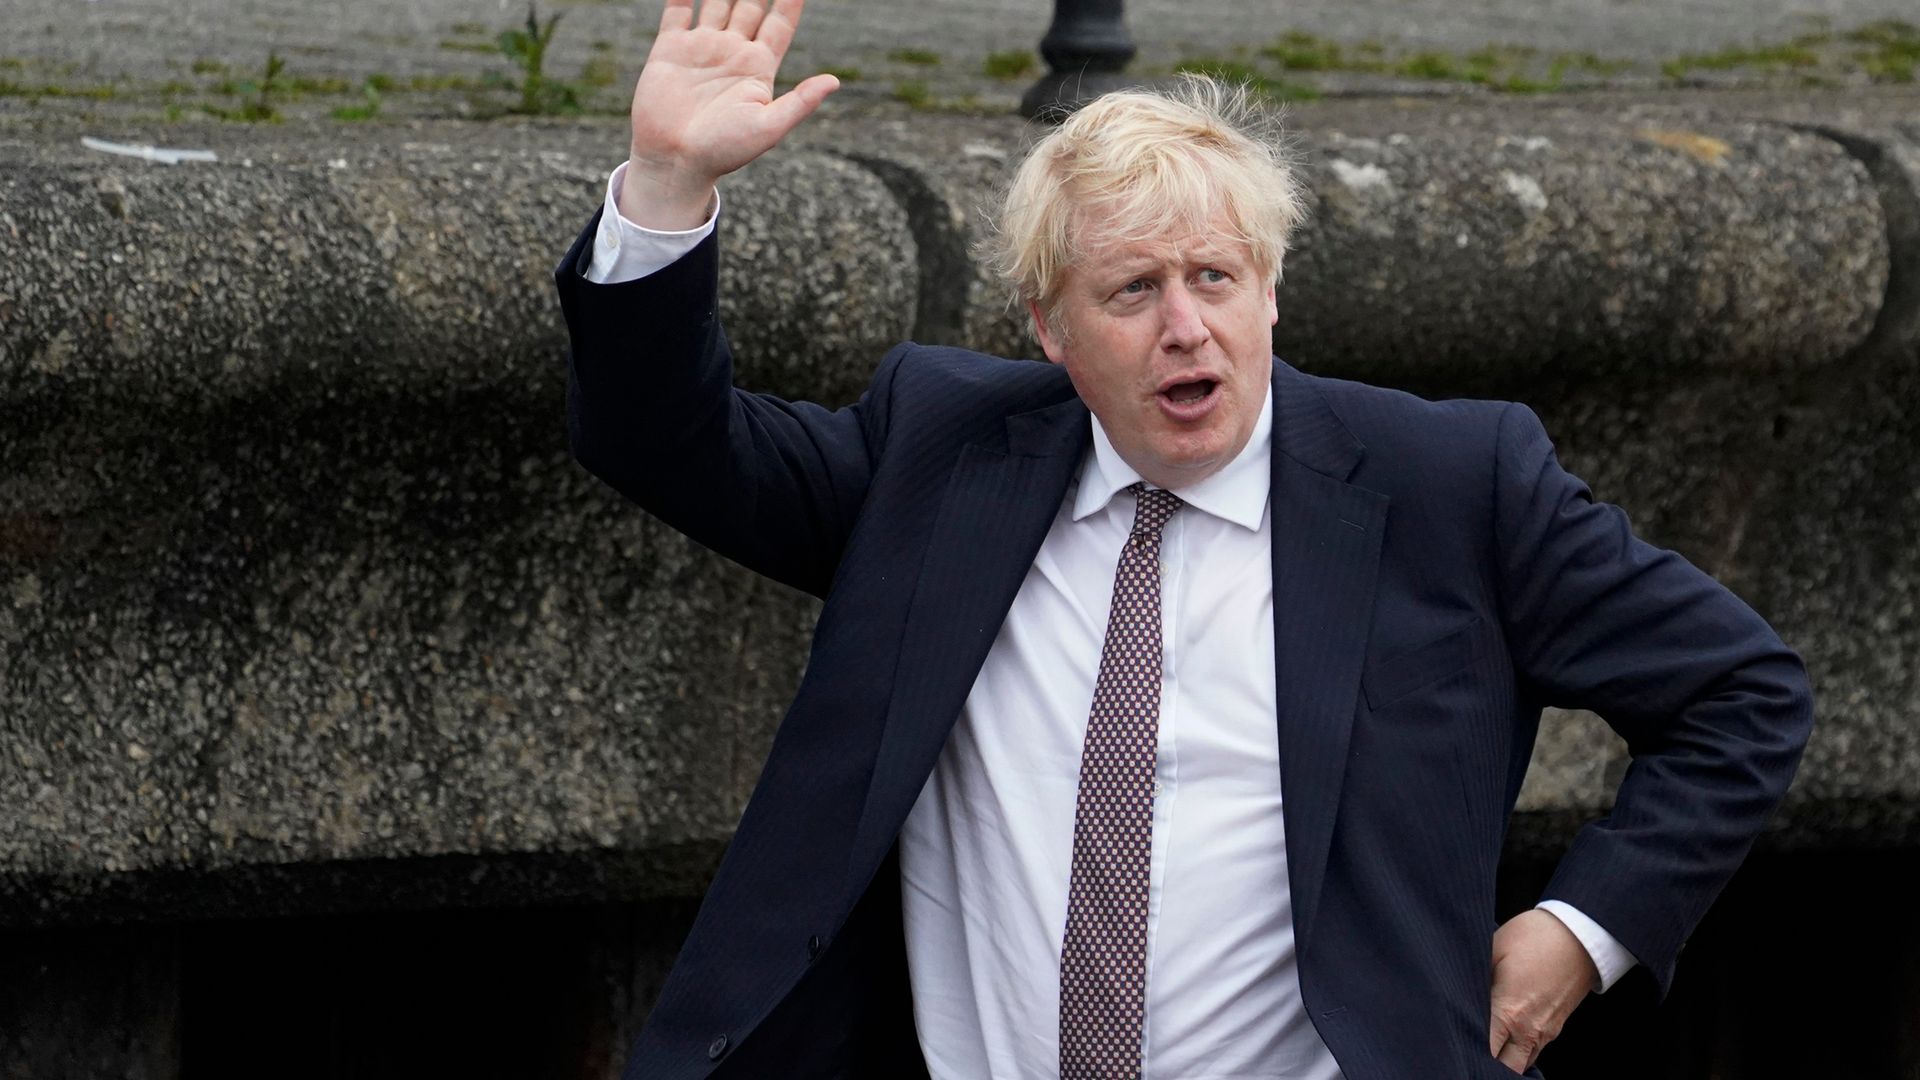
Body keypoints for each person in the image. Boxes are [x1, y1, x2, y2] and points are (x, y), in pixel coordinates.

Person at [552, 2, 1814, 1077]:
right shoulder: (942, 459)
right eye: (1133, 291)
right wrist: (670, 182)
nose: (1186, 329)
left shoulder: (1449, 484)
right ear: (1051, 328)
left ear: (1270, 288)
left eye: (1215, 278)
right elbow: (666, 443)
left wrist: (1574, 933)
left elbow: (1738, 693)